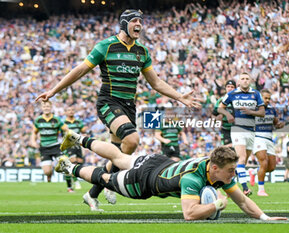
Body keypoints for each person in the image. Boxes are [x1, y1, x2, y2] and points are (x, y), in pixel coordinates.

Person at [35, 9, 200, 210]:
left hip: (129, 106)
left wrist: (179, 96)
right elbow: (80, 70)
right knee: (132, 139)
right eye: (134, 21)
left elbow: (155, 83)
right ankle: (79, 140)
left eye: (141, 21)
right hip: (109, 102)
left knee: (121, 154)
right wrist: (53, 90)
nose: (139, 24)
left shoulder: (142, 52)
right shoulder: (106, 46)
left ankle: (92, 194)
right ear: (124, 24)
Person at [56, 130, 287, 221]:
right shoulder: (193, 179)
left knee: (118, 157)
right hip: (143, 181)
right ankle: (69, 168)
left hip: (159, 162)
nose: (233, 175)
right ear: (215, 168)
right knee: (105, 178)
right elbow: (189, 214)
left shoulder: (219, 169)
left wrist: (265, 217)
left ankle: (80, 139)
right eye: (230, 171)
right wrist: (216, 204)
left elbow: (243, 200)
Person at [218, 72, 265, 196]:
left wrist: (250, 111)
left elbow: (262, 112)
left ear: (250, 81)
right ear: (239, 82)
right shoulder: (232, 94)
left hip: (251, 130)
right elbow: (219, 107)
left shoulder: (256, 94)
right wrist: (228, 115)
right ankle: (245, 188)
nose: (245, 81)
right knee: (241, 158)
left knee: (242, 163)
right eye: (242, 79)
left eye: (246, 79)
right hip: (237, 129)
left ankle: (231, 183)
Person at [250, 89, 285, 196]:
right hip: (258, 138)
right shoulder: (253, 109)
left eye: (269, 98)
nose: (268, 100)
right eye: (266, 98)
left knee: (271, 167)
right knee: (263, 162)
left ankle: (253, 172)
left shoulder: (271, 110)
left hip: (269, 139)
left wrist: (279, 124)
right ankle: (261, 190)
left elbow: (275, 122)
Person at [30, 101, 69, 182]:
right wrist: (33, 141)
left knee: (64, 165)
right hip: (44, 148)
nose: (46, 108)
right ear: (42, 108)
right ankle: (49, 176)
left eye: (48, 106)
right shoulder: (38, 120)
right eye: (44, 107)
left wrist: (66, 137)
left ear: (51, 107)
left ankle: (70, 185)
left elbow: (66, 129)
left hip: (55, 146)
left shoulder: (56, 119)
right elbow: (34, 132)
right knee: (47, 172)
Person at [63, 105, 88, 191]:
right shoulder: (63, 122)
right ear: (65, 112)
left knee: (77, 164)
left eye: (72, 110)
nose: (71, 111)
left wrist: (86, 127)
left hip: (78, 146)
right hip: (68, 146)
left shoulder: (78, 122)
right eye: (69, 110)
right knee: (73, 162)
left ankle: (69, 186)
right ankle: (76, 181)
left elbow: (83, 130)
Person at [212, 80, 236, 147]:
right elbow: (213, 115)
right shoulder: (220, 100)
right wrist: (217, 121)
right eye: (228, 86)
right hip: (225, 130)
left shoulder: (238, 100)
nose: (230, 88)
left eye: (232, 87)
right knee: (226, 151)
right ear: (225, 88)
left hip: (237, 129)